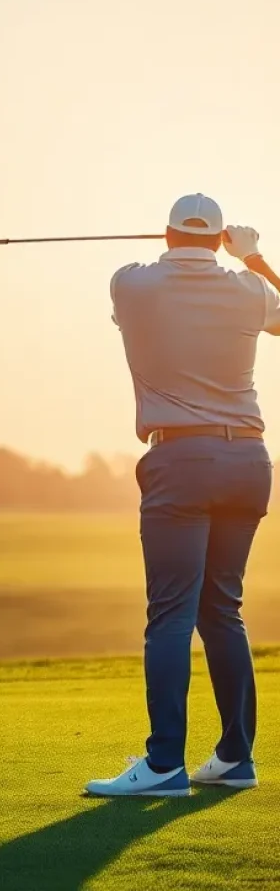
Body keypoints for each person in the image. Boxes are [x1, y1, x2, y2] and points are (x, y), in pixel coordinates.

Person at [86, 194, 280, 797]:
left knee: (171, 612)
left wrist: (184, 249)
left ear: (168, 235)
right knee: (222, 608)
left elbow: (159, 273)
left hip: (180, 459)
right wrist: (253, 259)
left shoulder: (131, 285)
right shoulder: (250, 290)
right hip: (248, 459)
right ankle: (234, 757)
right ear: (220, 238)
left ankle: (166, 762)